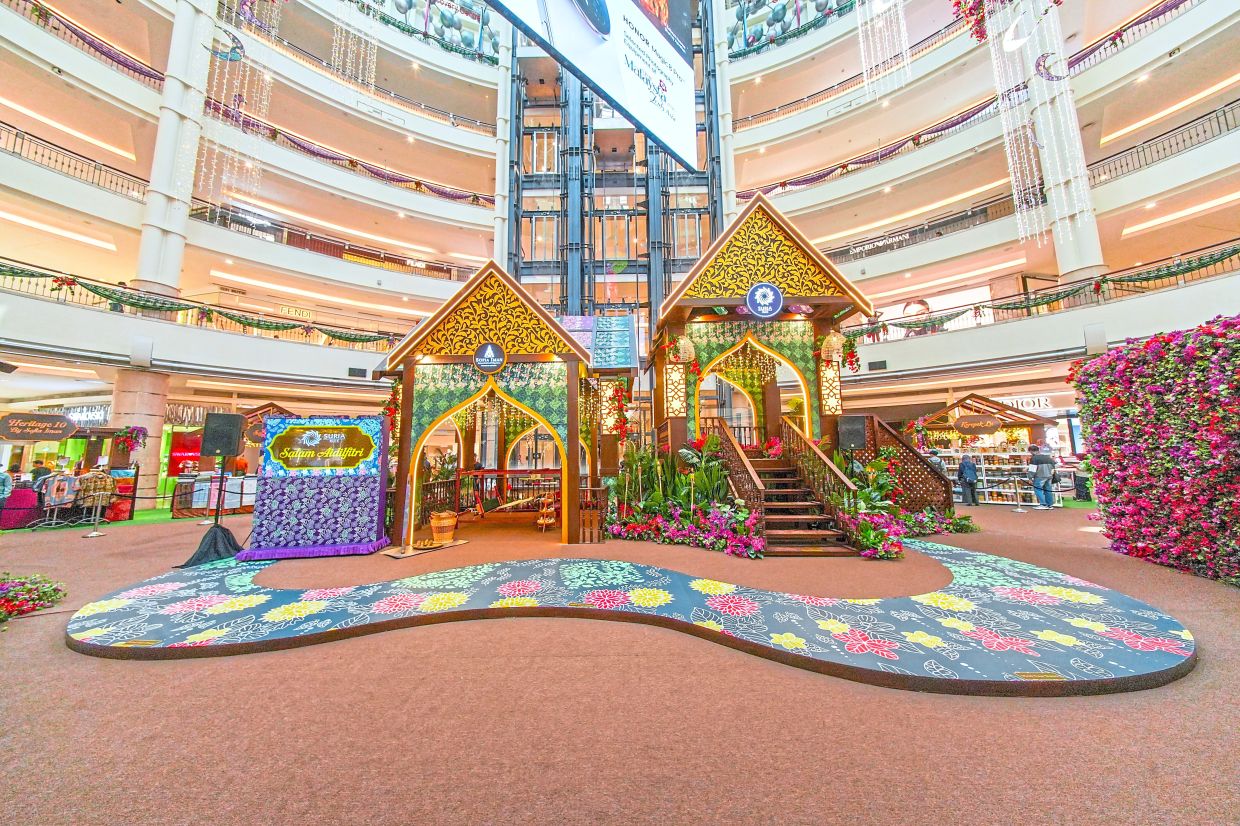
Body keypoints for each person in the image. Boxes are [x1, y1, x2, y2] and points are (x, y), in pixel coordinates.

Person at [1028, 445, 1057, 509]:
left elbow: (1032, 469)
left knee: (1037, 489)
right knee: (1048, 490)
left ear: (1031, 451)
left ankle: (1043, 504)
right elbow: (1054, 465)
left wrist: (1030, 477)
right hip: (1049, 476)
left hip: (1040, 476)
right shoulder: (1047, 457)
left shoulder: (1034, 458)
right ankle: (1050, 505)